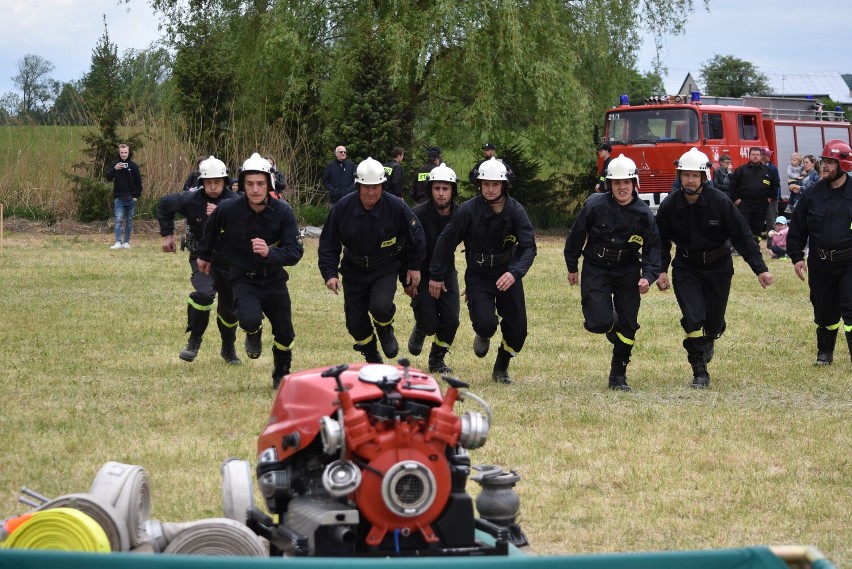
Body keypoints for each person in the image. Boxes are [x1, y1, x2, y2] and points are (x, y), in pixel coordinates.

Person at [655, 148, 773, 388]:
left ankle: (712, 334)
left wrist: (760, 268)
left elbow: (742, 235)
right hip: (686, 267)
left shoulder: (720, 201)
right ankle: (699, 371)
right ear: (680, 176)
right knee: (692, 318)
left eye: (695, 175)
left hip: (718, 267)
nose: (690, 180)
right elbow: (660, 241)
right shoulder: (670, 205)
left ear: (703, 178)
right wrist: (660, 270)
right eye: (685, 175)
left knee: (714, 322)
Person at [196, 153, 304, 389]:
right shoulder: (228, 208)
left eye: (260, 184)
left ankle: (280, 374)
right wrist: (204, 256)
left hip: (274, 279)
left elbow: (295, 252)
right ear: (242, 185)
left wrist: (270, 253)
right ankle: (253, 331)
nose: (255, 189)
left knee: (285, 334)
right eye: (249, 184)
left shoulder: (283, 211)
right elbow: (211, 231)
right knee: (249, 318)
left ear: (269, 184)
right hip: (242, 278)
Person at [430, 157, 537, 384]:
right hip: (478, 274)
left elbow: (529, 248)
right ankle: (483, 332)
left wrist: (515, 272)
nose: (489, 189)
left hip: (507, 273)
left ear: (504, 186)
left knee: (518, 332)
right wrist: (437, 275)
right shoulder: (468, 210)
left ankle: (501, 366)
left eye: (495, 184)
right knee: (486, 324)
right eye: (485, 184)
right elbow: (446, 241)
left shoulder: (517, 211)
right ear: (479, 185)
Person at [564, 155, 661, 391]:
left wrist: (648, 277)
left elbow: (653, 249)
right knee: (598, 322)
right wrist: (572, 265)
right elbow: (576, 235)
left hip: (628, 269)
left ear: (635, 183)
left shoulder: (644, 214)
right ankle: (610, 322)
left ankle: (618, 375)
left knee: (629, 326)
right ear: (609, 184)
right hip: (596, 267)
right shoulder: (595, 205)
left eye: (626, 181)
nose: (622, 187)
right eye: (616, 182)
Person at [318, 157, 426, 363]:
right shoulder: (342, 208)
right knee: (354, 324)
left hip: (384, 267)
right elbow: (328, 244)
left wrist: (414, 266)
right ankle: (371, 354)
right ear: (358, 186)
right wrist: (329, 273)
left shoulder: (396, 207)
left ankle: (385, 328)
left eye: (375, 187)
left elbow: (417, 237)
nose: (370, 192)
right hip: (354, 269)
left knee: (381, 306)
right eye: (366, 187)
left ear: (382, 186)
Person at [157, 156, 241, 364]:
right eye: (208, 182)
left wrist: (223, 214)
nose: (213, 187)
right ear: (201, 182)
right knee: (204, 294)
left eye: (218, 182)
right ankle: (194, 341)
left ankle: (228, 348)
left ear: (225, 181)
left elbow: (249, 226)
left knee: (229, 309)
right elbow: (164, 205)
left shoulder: (237, 201)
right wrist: (168, 235)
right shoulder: (190, 199)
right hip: (202, 257)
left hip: (230, 261)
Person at [786, 139, 852, 366]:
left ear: (844, 165)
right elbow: (797, 227)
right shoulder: (811, 193)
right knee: (824, 311)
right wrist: (796, 256)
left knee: (851, 309)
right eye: (824, 161)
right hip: (820, 262)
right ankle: (825, 354)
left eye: (831, 162)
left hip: (849, 262)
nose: (825, 166)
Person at [406, 163, 461, 374]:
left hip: (447, 272)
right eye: (437, 188)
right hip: (420, 272)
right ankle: (421, 328)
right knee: (430, 323)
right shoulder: (417, 214)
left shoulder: (461, 214)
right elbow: (405, 246)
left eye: (445, 189)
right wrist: (408, 277)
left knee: (451, 321)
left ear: (452, 191)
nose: (441, 193)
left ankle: (437, 359)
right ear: (430, 190)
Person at [729, 147, 778, 241]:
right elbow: (733, 185)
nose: (755, 156)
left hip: (761, 204)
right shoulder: (741, 170)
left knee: (757, 227)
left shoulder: (768, 170)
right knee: (743, 225)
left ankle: (755, 246)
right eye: (753, 154)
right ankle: (744, 247)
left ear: (761, 156)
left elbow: (775, 184)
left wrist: (771, 197)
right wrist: (736, 199)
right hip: (744, 204)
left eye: (757, 155)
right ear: (749, 156)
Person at [106, 143, 143, 250]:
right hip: (119, 198)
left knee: (129, 221)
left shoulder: (133, 166)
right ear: (119, 153)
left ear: (128, 152)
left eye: (125, 152)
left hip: (131, 199)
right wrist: (115, 169)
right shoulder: (115, 164)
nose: (123, 154)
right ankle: (118, 241)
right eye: (122, 152)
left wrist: (136, 196)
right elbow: (108, 177)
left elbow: (139, 183)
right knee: (118, 220)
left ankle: (126, 242)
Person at [761, 147, 782, 238]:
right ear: (761, 155)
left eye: (770, 153)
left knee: (771, 221)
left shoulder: (772, 168)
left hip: (771, 199)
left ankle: (773, 244)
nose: (769, 155)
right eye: (767, 154)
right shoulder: (758, 167)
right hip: (760, 198)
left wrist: (772, 197)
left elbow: (776, 184)